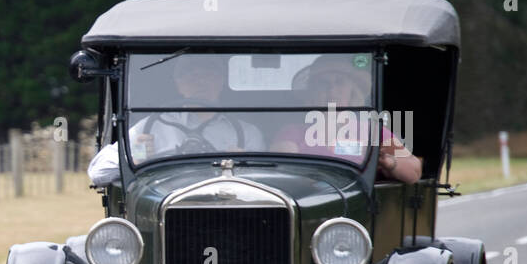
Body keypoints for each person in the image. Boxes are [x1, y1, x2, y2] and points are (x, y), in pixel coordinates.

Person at [88, 55, 265, 186]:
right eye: (190, 76)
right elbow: (98, 172)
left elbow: (269, 183)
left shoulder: (245, 133)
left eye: (209, 74)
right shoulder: (154, 127)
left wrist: (245, 167)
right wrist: (138, 158)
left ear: (222, 81)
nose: (200, 82)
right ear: (178, 84)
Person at [270, 58, 421, 183]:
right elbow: (277, 167)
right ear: (312, 93)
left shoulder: (372, 131)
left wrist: (388, 162)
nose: (332, 90)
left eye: (340, 82)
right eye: (323, 84)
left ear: (352, 90)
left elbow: (414, 171)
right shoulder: (293, 131)